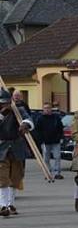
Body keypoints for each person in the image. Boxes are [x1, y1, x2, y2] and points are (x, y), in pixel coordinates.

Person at [0, 88, 33, 216]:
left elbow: (28, 119)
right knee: (2, 178)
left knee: (15, 177)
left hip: (16, 146)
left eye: (7, 103)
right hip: (2, 147)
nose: (5, 105)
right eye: (3, 103)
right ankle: (3, 206)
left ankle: (11, 204)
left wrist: (26, 125)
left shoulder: (18, 110)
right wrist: (2, 114)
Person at [36, 102, 64, 180]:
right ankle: (47, 173)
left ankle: (57, 173)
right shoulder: (40, 118)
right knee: (46, 158)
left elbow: (60, 128)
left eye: (48, 108)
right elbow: (37, 130)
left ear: (51, 109)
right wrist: (40, 140)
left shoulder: (56, 117)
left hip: (56, 141)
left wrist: (60, 137)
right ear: (43, 109)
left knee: (57, 157)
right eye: (45, 108)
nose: (47, 109)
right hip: (45, 142)